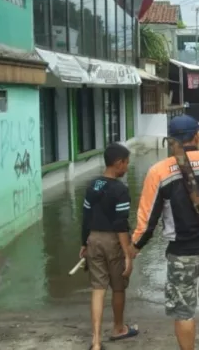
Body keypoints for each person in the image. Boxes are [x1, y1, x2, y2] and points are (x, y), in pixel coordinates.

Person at [130, 115, 199, 350]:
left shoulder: (159, 171)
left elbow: (147, 219)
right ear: (197, 136)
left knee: (183, 311)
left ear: (171, 141)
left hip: (181, 252)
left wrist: (135, 247)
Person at [80, 143, 139, 350]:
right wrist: (128, 254)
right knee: (119, 286)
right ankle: (118, 328)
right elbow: (120, 224)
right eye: (126, 163)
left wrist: (83, 242)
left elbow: (86, 216)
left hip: (93, 239)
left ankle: (96, 341)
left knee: (97, 288)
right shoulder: (120, 190)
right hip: (113, 241)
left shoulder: (92, 185)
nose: (127, 167)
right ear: (118, 163)